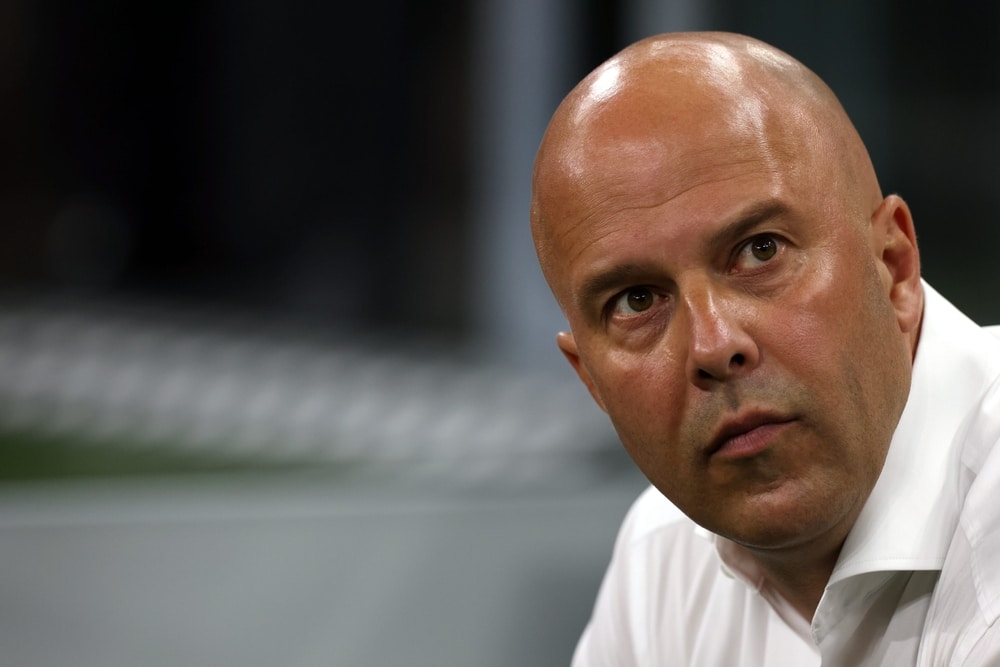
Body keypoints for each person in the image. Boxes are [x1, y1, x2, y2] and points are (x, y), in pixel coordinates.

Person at [529, 31, 1000, 666]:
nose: (715, 345)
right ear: (593, 384)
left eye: (760, 250)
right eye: (637, 301)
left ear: (894, 266)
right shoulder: (662, 561)